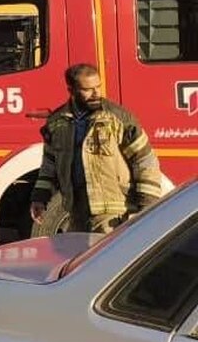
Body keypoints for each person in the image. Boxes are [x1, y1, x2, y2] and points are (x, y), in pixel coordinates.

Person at [30, 63, 162, 234]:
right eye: (88, 89)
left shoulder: (118, 118)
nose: (96, 93)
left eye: (98, 87)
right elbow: (49, 166)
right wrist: (40, 198)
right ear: (71, 91)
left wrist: (147, 206)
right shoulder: (56, 123)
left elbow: (145, 160)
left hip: (113, 215)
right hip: (76, 214)